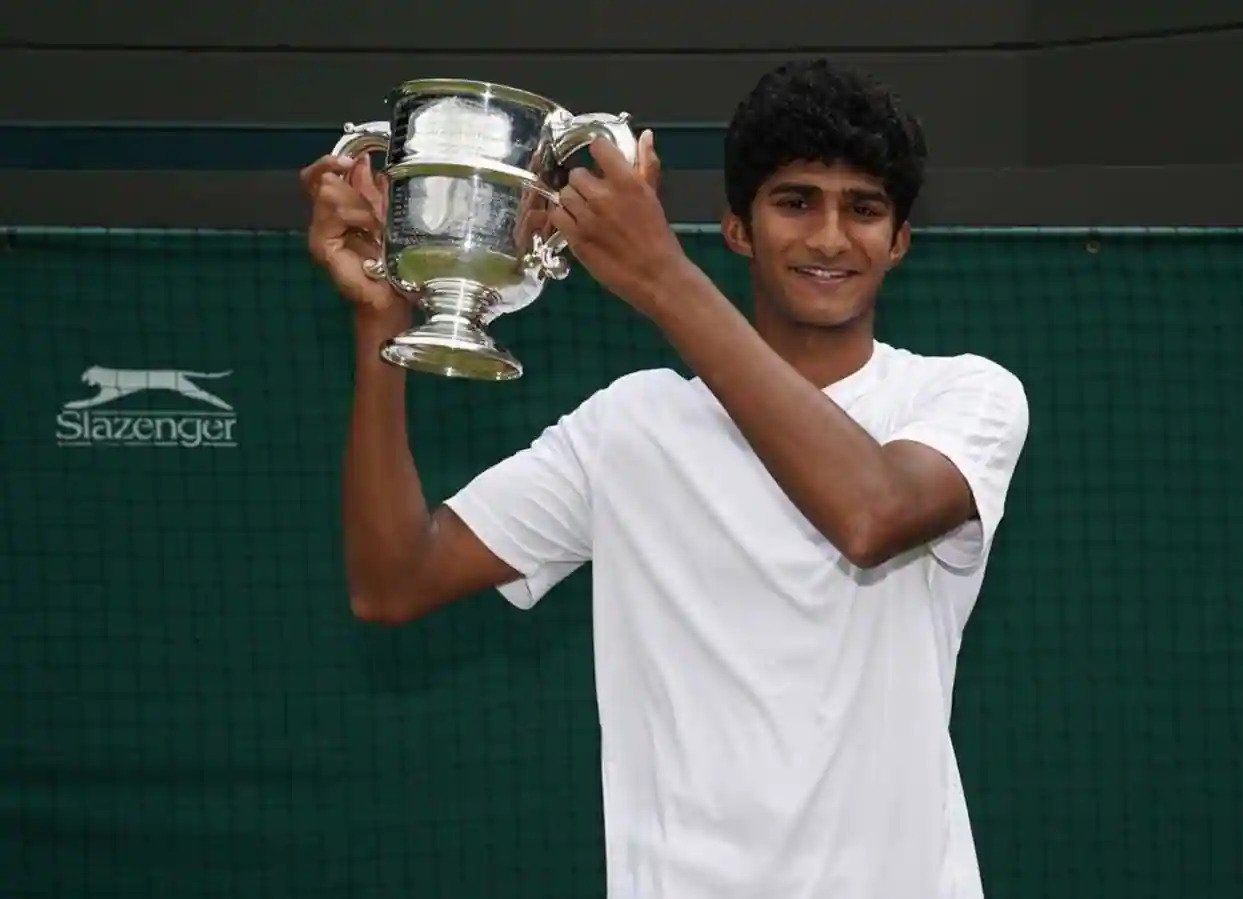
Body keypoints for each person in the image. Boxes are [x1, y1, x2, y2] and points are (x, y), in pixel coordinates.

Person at [299, 59, 1028, 899]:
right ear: (738, 229)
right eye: (796, 202)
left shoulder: (962, 395)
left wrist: (661, 276)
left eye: (862, 209)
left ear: (899, 241)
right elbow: (393, 579)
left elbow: (870, 513)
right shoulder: (629, 425)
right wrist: (381, 324)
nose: (830, 237)